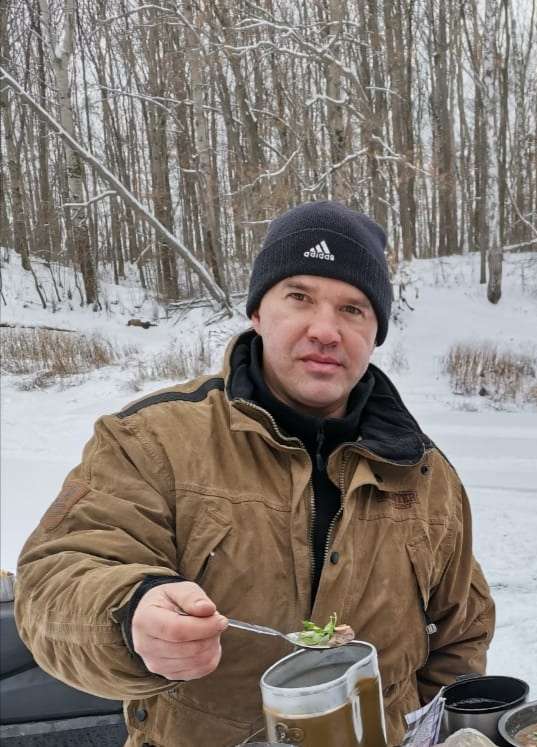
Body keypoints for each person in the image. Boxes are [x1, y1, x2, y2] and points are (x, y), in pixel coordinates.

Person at [15, 201, 495, 747]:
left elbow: (462, 634)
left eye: (353, 309)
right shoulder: (153, 439)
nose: (326, 331)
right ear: (258, 313)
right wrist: (132, 614)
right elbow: (54, 582)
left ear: (375, 332)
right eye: (299, 297)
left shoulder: (424, 474)